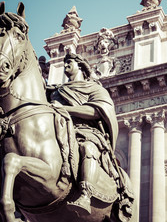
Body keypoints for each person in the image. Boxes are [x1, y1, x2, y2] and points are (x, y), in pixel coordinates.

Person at [48, 52, 119, 215]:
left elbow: (96, 111)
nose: (65, 64)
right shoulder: (56, 92)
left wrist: (65, 109)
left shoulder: (94, 88)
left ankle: (85, 195)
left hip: (86, 131)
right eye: (64, 61)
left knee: (88, 148)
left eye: (69, 61)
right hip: (60, 131)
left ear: (80, 65)